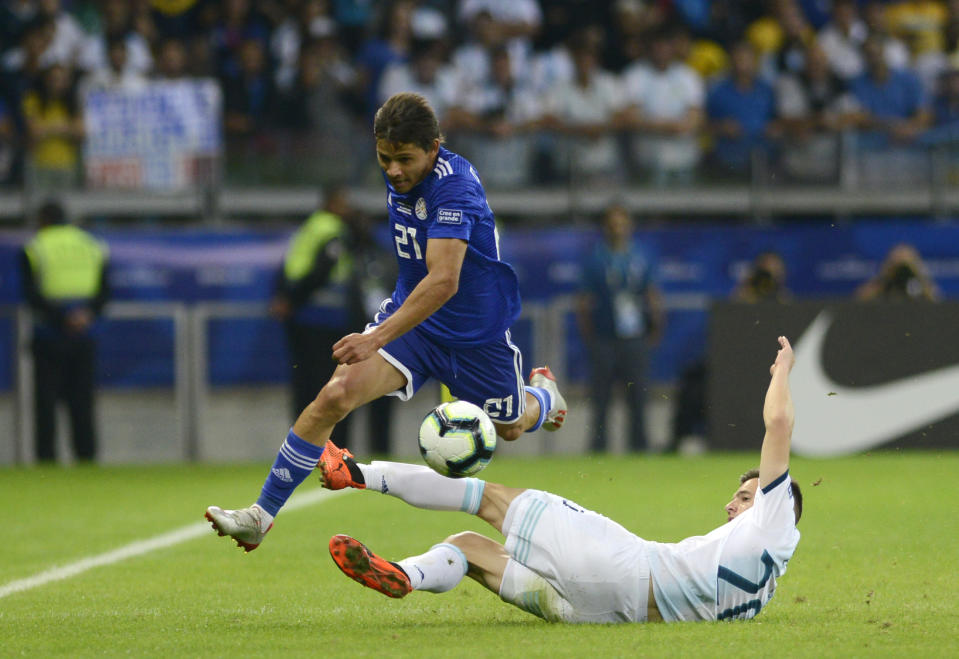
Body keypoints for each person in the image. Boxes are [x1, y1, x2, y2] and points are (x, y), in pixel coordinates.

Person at [206, 92, 568, 551]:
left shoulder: (455, 188)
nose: (393, 170)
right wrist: (384, 335)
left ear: (434, 148)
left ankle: (543, 396)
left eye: (404, 159)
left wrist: (373, 337)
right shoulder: (400, 174)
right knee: (335, 394)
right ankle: (260, 515)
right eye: (384, 158)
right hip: (415, 326)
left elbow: (443, 282)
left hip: (475, 335)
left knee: (512, 425)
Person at [319, 336, 802, 624]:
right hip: (600, 614)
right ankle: (406, 576)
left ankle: (357, 472)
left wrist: (782, 371)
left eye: (743, 496)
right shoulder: (762, 592)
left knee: (485, 497)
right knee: (468, 548)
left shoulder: (773, 521)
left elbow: (778, 425)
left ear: (777, 501)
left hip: (622, 564)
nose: (730, 507)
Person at [20, 199, 110, 463]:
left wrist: (62, 316)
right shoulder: (92, 245)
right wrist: (85, 314)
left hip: (49, 333)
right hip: (84, 334)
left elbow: (31, 294)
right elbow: (105, 292)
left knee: (45, 401)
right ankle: (86, 457)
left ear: (43, 219)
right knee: (82, 399)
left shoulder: (36, 247)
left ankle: (46, 458)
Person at [576, 204, 663, 453]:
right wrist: (590, 335)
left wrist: (656, 326)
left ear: (629, 226)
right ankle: (598, 449)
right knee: (600, 398)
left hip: (635, 336)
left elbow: (652, 293)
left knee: (638, 397)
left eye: (622, 223)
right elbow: (583, 300)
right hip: (604, 336)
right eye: (613, 224)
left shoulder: (641, 256)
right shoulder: (596, 258)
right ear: (606, 227)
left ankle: (640, 448)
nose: (618, 228)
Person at [855, 243, 941, 301]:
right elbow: (859, 300)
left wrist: (917, 272)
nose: (902, 267)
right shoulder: (883, 283)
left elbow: (936, 300)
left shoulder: (919, 284)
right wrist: (887, 273)